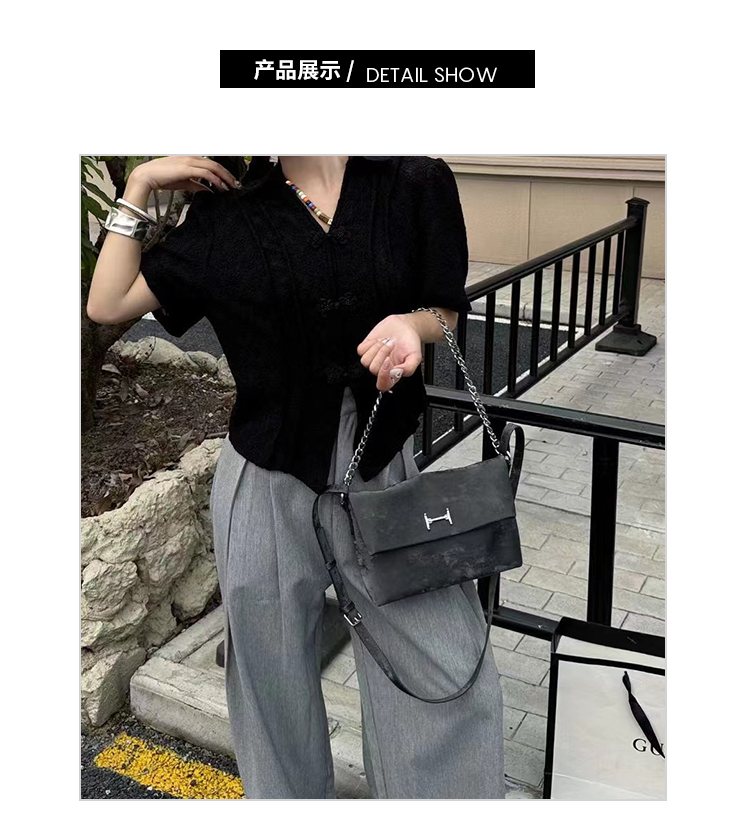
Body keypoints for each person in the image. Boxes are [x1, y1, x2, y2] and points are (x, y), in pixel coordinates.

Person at [88, 155, 507, 799]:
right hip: (264, 480)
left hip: (383, 473)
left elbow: (444, 310)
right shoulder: (228, 211)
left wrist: (411, 325)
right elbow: (107, 302)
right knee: (270, 683)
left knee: (447, 667)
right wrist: (140, 184)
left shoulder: (413, 181)